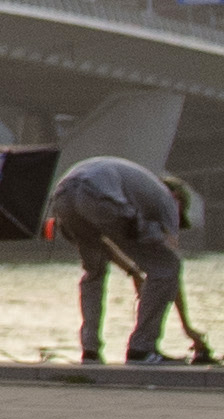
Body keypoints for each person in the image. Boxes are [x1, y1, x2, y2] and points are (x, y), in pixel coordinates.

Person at [48, 153, 204, 367]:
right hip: (98, 193)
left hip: (63, 194)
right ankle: (142, 350)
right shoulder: (167, 201)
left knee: (94, 271)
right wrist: (188, 328)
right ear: (177, 197)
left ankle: (90, 352)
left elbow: (106, 246)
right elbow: (168, 271)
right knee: (167, 266)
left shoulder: (135, 190)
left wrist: (133, 271)